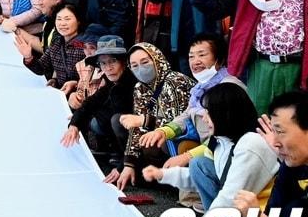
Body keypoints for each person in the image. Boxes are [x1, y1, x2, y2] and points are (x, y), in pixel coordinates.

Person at [142, 82, 277, 217]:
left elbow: (228, 197)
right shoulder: (221, 141)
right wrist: (163, 175)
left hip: (264, 216)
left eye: (208, 112)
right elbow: (198, 178)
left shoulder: (250, 144)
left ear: (226, 114)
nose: (204, 118)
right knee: (199, 164)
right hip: (242, 210)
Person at [104, 42, 192, 190]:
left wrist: (145, 120)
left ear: (157, 59)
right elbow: (137, 127)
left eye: (145, 62)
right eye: (134, 65)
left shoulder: (175, 81)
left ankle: (175, 179)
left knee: (160, 139)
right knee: (121, 122)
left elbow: (178, 125)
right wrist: (128, 164)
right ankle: (146, 172)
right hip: (157, 134)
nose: (140, 69)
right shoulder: (140, 87)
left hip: (184, 140)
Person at [140, 32, 242, 152]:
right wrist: (163, 131)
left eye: (202, 55)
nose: (195, 61)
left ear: (219, 59)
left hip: (225, 150)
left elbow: (226, 135)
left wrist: (190, 156)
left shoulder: (229, 87)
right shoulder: (200, 88)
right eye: (191, 56)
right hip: (206, 146)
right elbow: (186, 115)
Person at [62, 35, 136, 182]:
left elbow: (139, 131)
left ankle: (126, 158)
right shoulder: (110, 82)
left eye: (113, 61)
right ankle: (116, 151)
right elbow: (91, 102)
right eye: (103, 63)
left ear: (124, 62)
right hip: (125, 139)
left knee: (117, 119)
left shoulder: (134, 84)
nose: (108, 68)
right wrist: (74, 125)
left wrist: (124, 165)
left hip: (144, 142)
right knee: (92, 116)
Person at [18, 1, 89, 91]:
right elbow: (41, 68)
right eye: (59, 19)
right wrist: (28, 57)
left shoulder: (87, 44)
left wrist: (76, 85)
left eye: (67, 19)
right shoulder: (56, 42)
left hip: (81, 95)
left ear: (78, 21)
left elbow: (95, 76)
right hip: (62, 94)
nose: (62, 23)